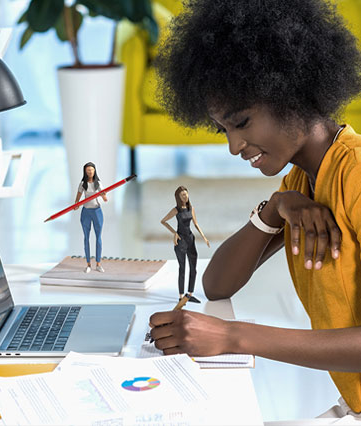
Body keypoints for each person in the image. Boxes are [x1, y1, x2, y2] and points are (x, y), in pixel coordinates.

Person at [149, 0, 361, 420]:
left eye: (242, 122)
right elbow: (217, 284)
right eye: (223, 129)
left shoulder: (354, 175)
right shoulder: (302, 180)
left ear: (292, 93)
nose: (232, 146)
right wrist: (275, 210)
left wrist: (232, 335)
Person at [161, 186, 210, 302]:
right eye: (183, 195)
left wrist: (204, 237)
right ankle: (181, 297)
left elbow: (196, 224)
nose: (185, 196)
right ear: (178, 197)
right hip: (180, 240)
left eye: (186, 194)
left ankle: (190, 293)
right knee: (182, 268)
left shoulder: (191, 208)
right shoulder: (176, 210)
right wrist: (174, 233)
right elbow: (163, 221)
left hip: (190, 239)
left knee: (194, 267)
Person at [74, 162, 108, 273]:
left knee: (98, 237)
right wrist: (76, 203)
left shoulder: (98, 183)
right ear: (85, 171)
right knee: (86, 238)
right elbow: (78, 196)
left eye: (92, 170)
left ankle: (98, 263)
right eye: (88, 170)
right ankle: (88, 264)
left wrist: (103, 195)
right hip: (86, 212)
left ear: (95, 171)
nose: (90, 172)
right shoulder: (82, 184)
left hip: (97, 211)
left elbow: (105, 198)